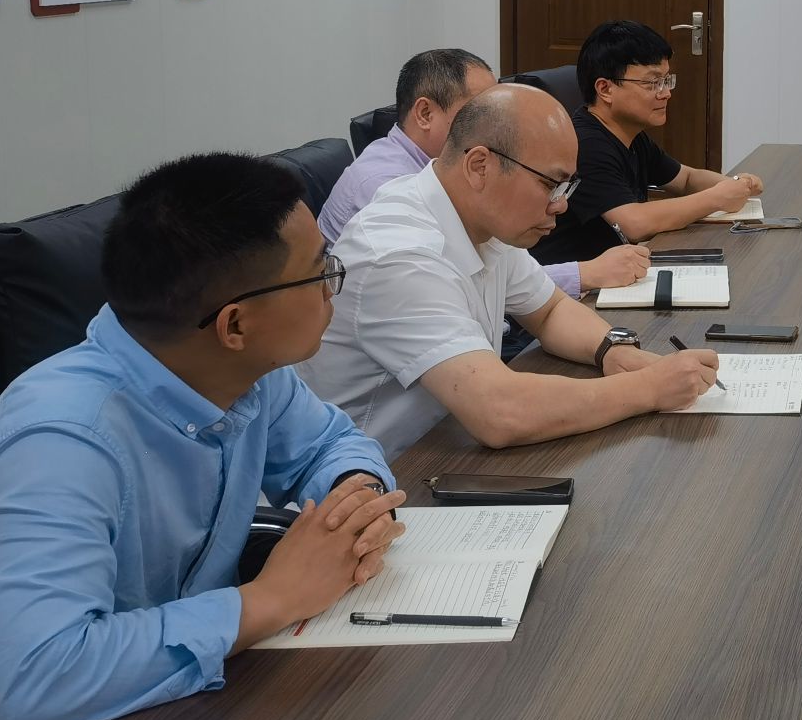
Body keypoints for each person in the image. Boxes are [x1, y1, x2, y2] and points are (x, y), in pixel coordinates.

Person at [0, 154, 407, 720]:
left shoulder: (248, 372)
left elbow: (328, 445)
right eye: (320, 272)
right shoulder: (60, 444)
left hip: (180, 715)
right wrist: (270, 599)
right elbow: (35, 683)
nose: (332, 286)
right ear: (235, 324)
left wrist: (354, 499)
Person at [307, 83, 718, 457]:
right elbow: (499, 412)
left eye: (568, 187)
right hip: (380, 479)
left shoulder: (483, 217)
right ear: (479, 166)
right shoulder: (399, 253)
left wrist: (613, 350)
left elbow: (549, 310)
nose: (561, 204)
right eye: (551, 184)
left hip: (445, 445)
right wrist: (648, 388)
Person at [321, 47, 649, 298]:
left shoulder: (454, 174)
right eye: (479, 108)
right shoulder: (386, 188)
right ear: (425, 113)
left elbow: (505, 272)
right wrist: (586, 273)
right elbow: (463, 282)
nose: (496, 120)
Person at [534, 20, 764, 263]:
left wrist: (736, 185)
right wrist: (716, 198)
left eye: (666, 80)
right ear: (605, 89)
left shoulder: (630, 135)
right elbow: (634, 223)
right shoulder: (584, 144)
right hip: (573, 279)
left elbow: (686, 179)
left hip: (619, 267)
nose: (666, 93)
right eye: (653, 83)